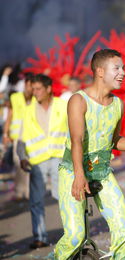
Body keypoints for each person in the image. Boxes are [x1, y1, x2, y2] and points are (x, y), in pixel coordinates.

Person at [54, 49, 125, 259]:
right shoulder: (79, 100)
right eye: (117, 68)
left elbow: (115, 142)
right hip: (73, 171)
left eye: (123, 68)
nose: (123, 73)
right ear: (100, 71)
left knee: (123, 231)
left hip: (103, 173)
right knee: (75, 237)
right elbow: (77, 141)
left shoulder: (117, 104)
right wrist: (79, 175)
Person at [17, 74, 68, 249]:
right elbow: (22, 137)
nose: (35, 92)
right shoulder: (29, 109)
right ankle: (40, 236)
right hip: (37, 161)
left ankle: (71, 233)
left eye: (38, 89)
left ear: (48, 89)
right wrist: (22, 157)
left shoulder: (63, 105)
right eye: (33, 89)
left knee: (63, 197)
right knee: (36, 201)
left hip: (59, 157)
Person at [3, 72, 35, 200]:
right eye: (29, 85)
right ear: (25, 84)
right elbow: (9, 117)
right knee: (18, 164)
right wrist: (6, 134)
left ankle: (27, 192)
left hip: (33, 137)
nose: (31, 89)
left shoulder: (37, 98)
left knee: (30, 164)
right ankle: (18, 192)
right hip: (18, 137)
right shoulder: (15, 97)